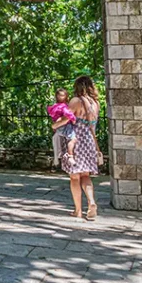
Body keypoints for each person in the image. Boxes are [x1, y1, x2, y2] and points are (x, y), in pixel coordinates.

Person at [60, 75, 101, 220]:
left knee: (74, 177)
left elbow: (67, 118)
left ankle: (78, 210)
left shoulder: (76, 101)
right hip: (89, 141)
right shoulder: (95, 103)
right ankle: (91, 202)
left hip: (75, 141)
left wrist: (55, 124)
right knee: (86, 175)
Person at [47, 87, 77, 166]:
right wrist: (73, 120)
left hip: (59, 127)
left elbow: (53, 117)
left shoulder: (55, 106)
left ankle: (61, 157)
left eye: (62, 95)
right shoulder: (63, 106)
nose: (61, 97)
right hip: (65, 126)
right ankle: (70, 156)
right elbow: (68, 114)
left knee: (62, 140)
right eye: (60, 95)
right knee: (73, 139)